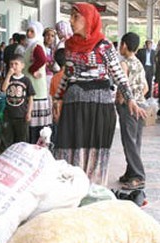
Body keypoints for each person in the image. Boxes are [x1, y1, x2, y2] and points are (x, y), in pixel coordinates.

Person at [54, 3, 145, 185]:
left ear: (88, 20)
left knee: (94, 151)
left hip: (98, 106)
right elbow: (68, 74)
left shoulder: (104, 46)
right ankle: (72, 191)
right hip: (73, 105)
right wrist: (57, 98)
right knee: (69, 148)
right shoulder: (69, 45)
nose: (71, 21)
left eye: (76, 17)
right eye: (70, 16)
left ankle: (92, 191)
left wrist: (130, 100)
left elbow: (119, 75)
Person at [117, 32, 148, 190]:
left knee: (129, 142)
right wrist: (138, 99)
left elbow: (123, 87)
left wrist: (122, 101)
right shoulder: (139, 63)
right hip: (141, 105)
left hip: (129, 108)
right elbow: (146, 88)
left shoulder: (124, 64)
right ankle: (130, 172)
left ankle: (138, 176)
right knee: (136, 141)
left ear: (124, 45)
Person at [0, 54, 35, 152]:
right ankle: (5, 156)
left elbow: (31, 97)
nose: (13, 66)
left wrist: (29, 112)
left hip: (21, 114)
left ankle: (21, 156)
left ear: (22, 66)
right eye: (11, 64)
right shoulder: (9, 78)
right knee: (6, 138)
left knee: (22, 139)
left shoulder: (26, 80)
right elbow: (3, 89)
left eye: (16, 64)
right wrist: (8, 75)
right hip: (9, 114)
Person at [23, 21, 51, 144]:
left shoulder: (36, 45)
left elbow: (42, 60)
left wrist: (31, 70)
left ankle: (36, 143)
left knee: (36, 123)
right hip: (32, 84)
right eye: (28, 31)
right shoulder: (32, 45)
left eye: (32, 31)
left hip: (36, 86)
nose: (29, 33)